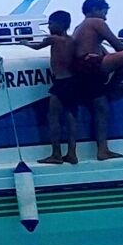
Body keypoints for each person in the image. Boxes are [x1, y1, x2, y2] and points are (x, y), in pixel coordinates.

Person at [71, 0, 123, 159]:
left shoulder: (79, 28)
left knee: (101, 107)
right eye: (104, 12)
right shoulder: (95, 22)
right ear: (94, 9)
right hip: (90, 65)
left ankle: (102, 149)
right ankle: (111, 88)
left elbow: (103, 51)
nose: (105, 17)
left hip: (82, 70)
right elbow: (118, 45)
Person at [25, 9, 82, 165]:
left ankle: (56, 154)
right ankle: (72, 153)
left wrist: (23, 42)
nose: (49, 26)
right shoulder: (72, 41)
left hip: (61, 82)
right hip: (73, 82)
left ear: (59, 24)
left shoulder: (54, 39)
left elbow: (36, 46)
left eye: (50, 23)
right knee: (71, 118)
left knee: (53, 117)